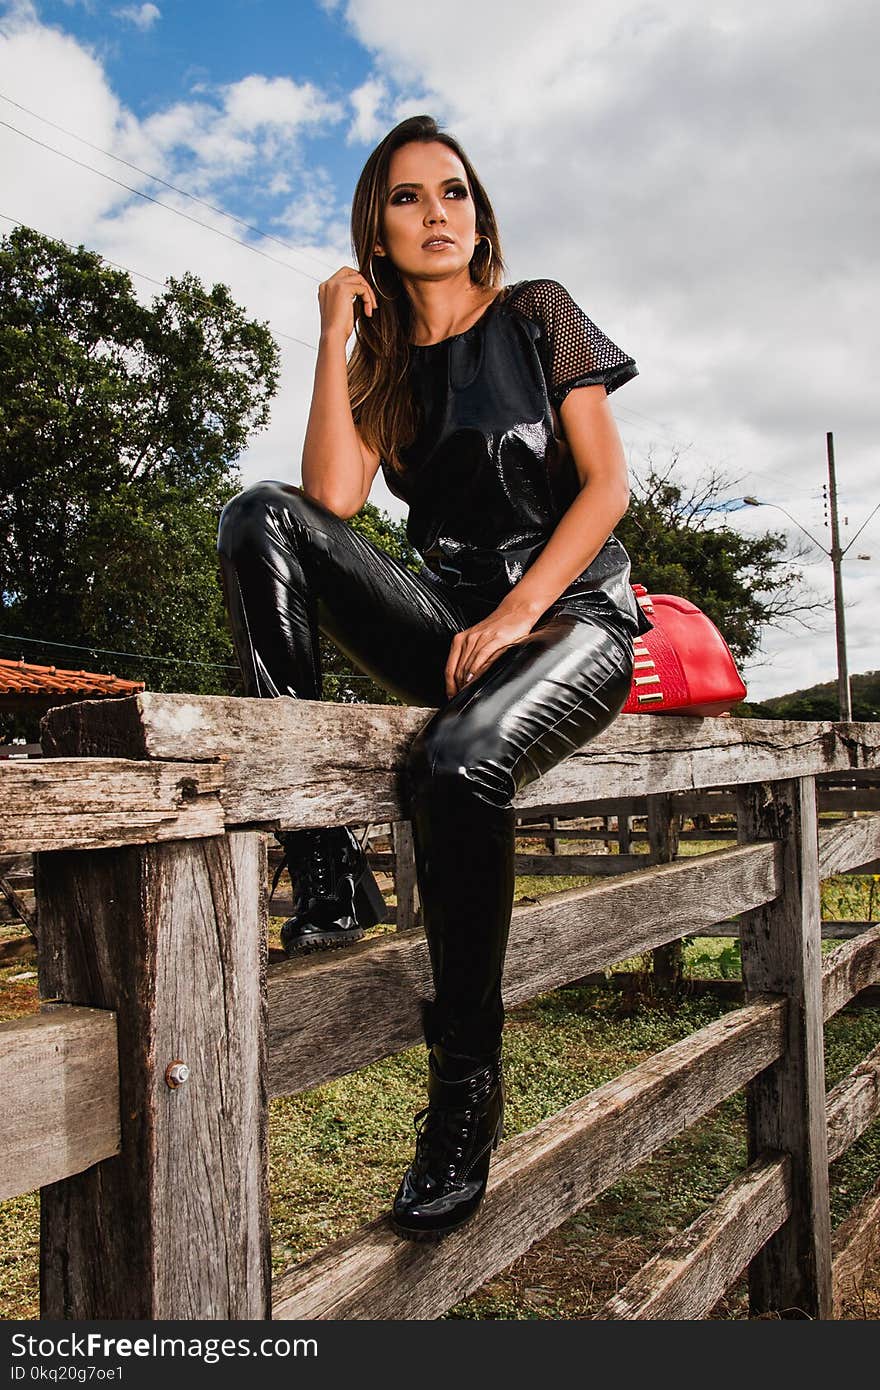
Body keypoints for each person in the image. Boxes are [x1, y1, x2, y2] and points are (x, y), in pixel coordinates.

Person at [216, 113, 653, 1243]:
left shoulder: (537, 315)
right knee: (257, 513)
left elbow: (606, 488)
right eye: (407, 199)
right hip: (454, 626)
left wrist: (519, 610)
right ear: (377, 229)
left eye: (452, 192)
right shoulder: (388, 368)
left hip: (569, 617)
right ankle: (325, 872)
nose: (437, 214)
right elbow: (331, 501)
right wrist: (331, 332)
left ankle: (464, 1089)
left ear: (479, 211)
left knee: (457, 761)